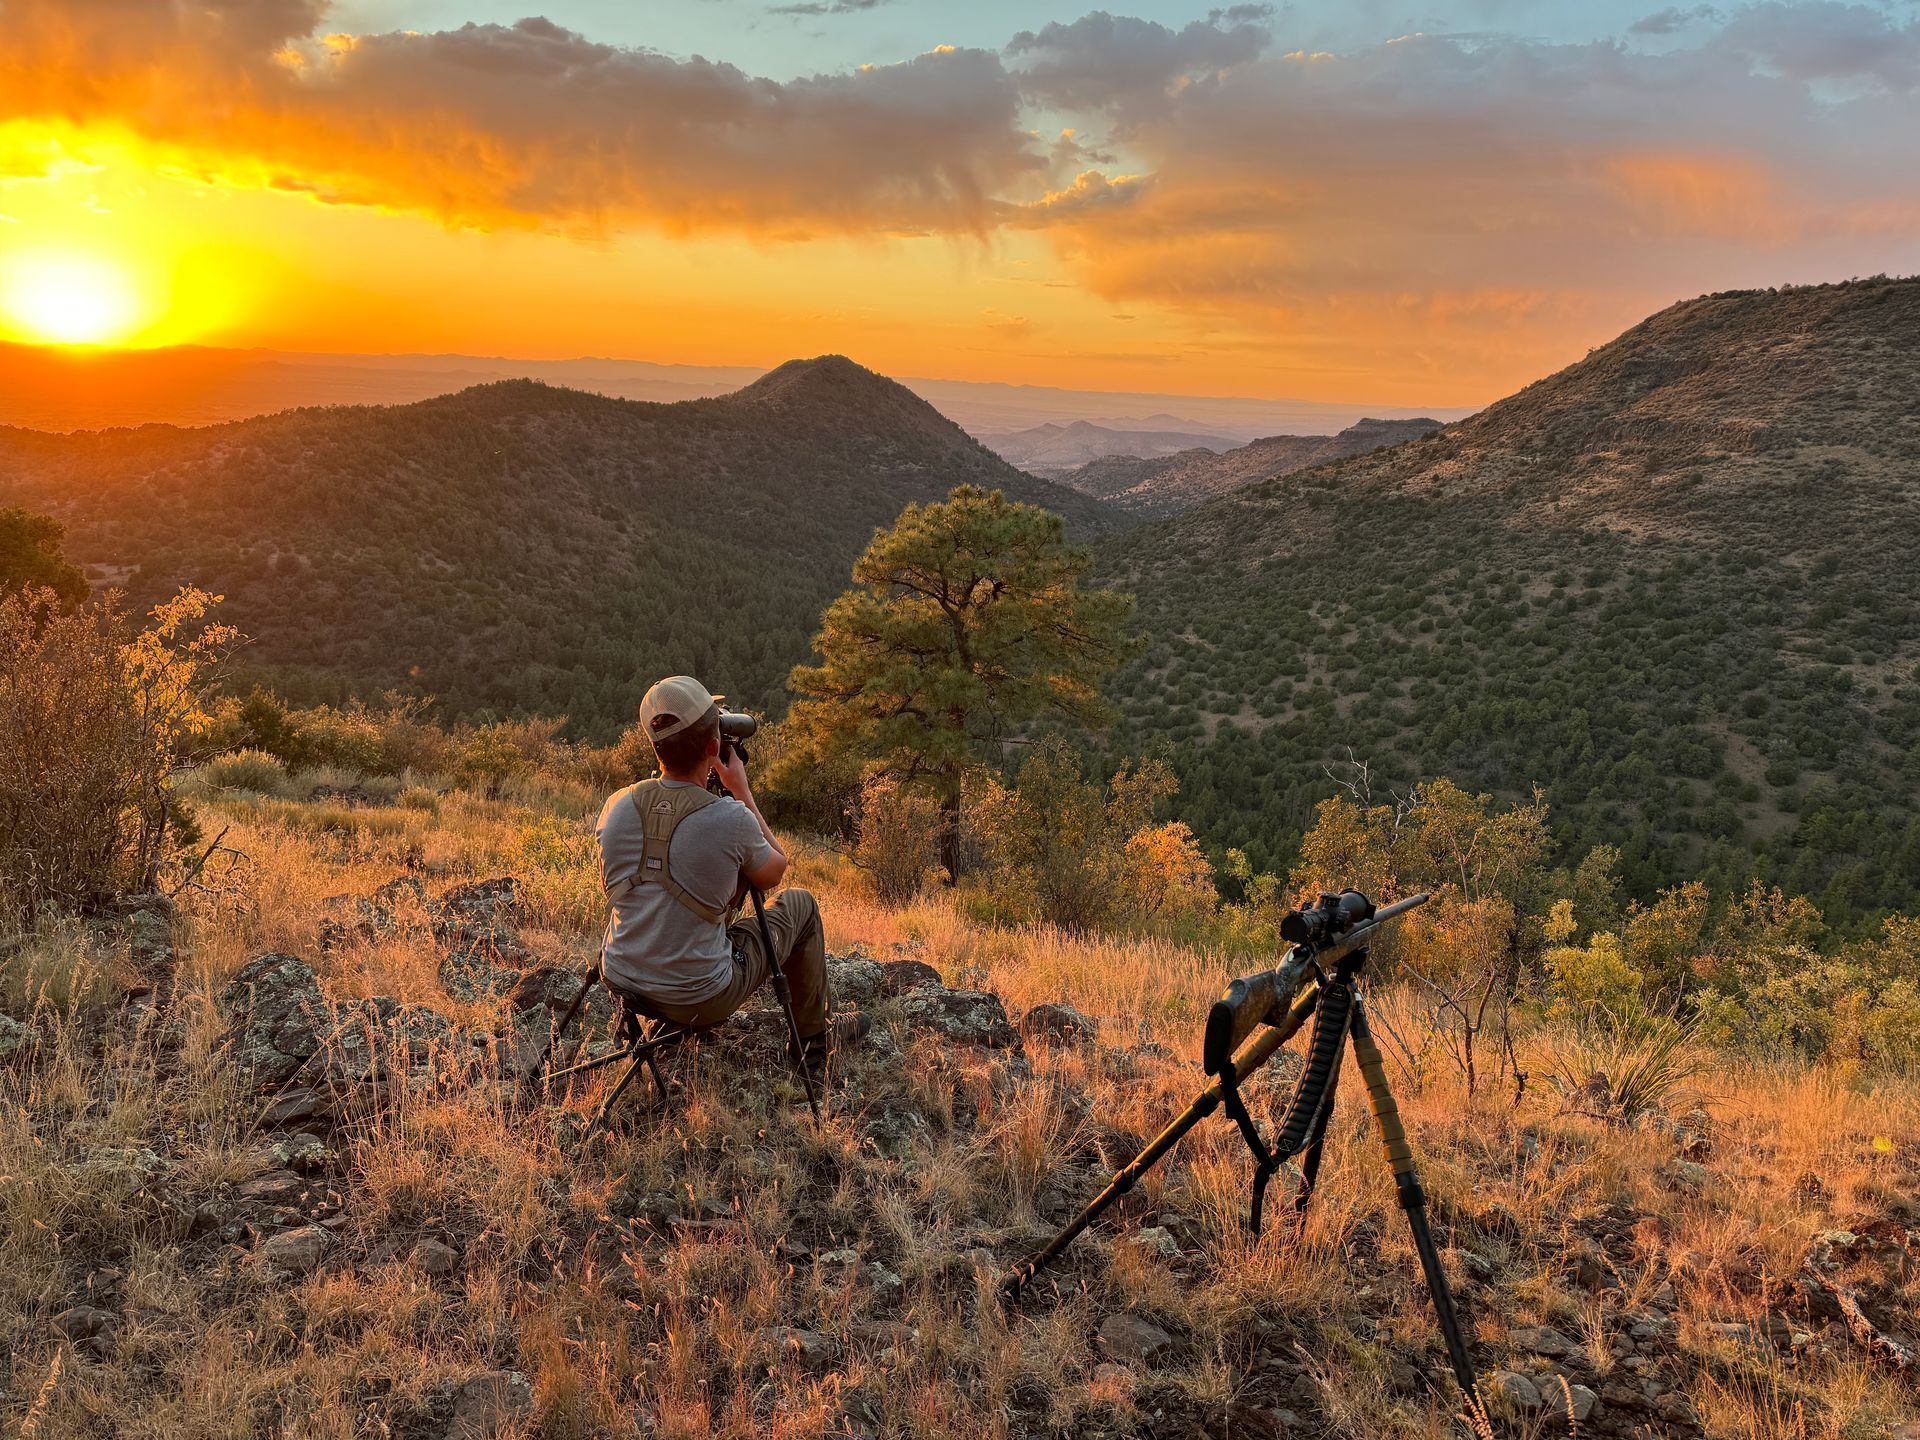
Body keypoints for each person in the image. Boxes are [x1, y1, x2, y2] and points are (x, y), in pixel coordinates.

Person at [594, 675, 866, 1073]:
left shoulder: (616, 806)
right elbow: (775, 869)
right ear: (715, 746)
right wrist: (742, 792)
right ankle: (813, 1041)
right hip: (699, 998)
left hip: (620, 977)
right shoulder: (730, 819)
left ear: (655, 746)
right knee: (801, 904)